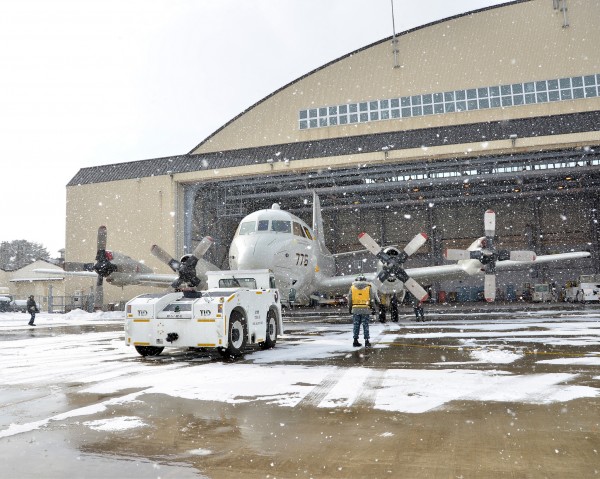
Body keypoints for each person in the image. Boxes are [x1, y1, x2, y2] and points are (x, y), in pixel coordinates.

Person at [348, 275, 379, 347]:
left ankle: (355, 340)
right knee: (365, 325)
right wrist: (373, 309)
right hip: (365, 309)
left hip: (355, 309)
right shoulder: (368, 287)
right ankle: (367, 341)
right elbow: (372, 299)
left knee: (356, 325)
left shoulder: (352, 287)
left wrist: (350, 309)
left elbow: (350, 300)